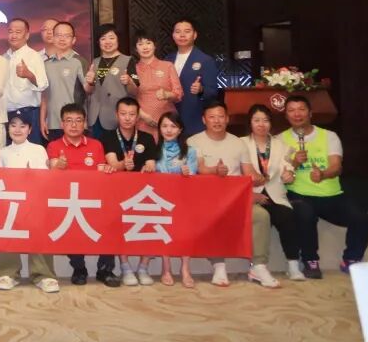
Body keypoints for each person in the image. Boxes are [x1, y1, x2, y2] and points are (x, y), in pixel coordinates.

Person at [280, 94, 368, 278]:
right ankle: (310, 260)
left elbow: (336, 166)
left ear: (310, 113)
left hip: (331, 194)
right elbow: (279, 174)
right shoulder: (279, 139)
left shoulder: (329, 136)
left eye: (301, 109)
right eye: (291, 110)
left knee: (362, 219)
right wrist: (295, 163)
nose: (297, 114)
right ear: (286, 115)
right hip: (299, 194)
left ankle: (351, 259)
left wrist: (323, 174)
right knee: (305, 214)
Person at [189, 101, 278, 289]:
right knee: (211, 215)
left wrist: (261, 177)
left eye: (221, 117)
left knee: (261, 216)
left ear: (227, 119)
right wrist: (215, 170)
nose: (217, 121)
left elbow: (249, 172)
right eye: (212, 117)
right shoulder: (194, 141)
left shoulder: (238, 143)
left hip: (235, 200)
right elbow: (200, 168)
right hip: (207, 200)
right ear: (204, 120)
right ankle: (218, 265)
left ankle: (258, 266)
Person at [46, 103, 117, 286]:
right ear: (62, 124)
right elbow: (53, 170)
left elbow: (101, 172)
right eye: (69, 121)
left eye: (78, 120)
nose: (74, 125)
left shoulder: (96, 145)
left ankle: (105, 270)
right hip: (67, 200)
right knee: (70, 221)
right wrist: (58, 166)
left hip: (93, 200)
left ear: (85, 123)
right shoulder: (54, 146)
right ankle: (79, 269)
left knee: (110, 220)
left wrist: (107, 170)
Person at [0, 114, 61, 293]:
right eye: (13, 125)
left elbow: (45, 177)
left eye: (22, 126)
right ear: (8, 129)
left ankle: (43, 275)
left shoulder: (39, 149)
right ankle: (8, 273)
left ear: (30, 130)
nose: (17, 130)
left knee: (40, 227)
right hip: (9, 202)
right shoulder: (2, 152)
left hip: (34, 201)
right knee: (5, 226)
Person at [243, 104, 305, 282]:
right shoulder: (240, 143)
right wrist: (250, 195)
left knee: (287, 216)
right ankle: (256, 266)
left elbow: (288, 169)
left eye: (265, 120)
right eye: (257, 120)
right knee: (259, 218)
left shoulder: (282, 146)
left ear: (271, 123)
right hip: (250, 195)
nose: (261, 124)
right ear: (250, 123)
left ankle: (293, 265)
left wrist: (289, 175)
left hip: (275, 195)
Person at [102, 97, 158, 287]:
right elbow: (112, 163)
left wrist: (149, 167)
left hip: (143, 194)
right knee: (118, 224)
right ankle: (125, 267)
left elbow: (151, 163)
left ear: (138, 117)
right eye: (123, 114)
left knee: (150, 224)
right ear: (116, 115)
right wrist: (122, 164)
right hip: (118, 193)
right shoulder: (109, 136)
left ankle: (143, 268)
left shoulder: (147, 138)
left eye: (132, 114)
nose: (127, 118)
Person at [155, 111, 197, 288]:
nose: (168, 130)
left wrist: (188, 173)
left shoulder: (190, 151)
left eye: (173, 126)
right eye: (164, 126)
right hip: (160, 200)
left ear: (180, 130)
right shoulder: (154, 149)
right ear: (159, 129)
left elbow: (193, 176)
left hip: (183, 199)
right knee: (164, 232)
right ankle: (166, 269)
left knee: (185, 232)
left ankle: (185, 268)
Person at [84, 23, 139, 139]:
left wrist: (129, 81)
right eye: (103, 38)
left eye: (111, 38)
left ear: (118, 40)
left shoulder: (128, 60)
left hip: (117, 116)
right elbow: (88, 91)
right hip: (95, 117)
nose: (107, 42)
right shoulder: (95, 62)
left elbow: (135, 91)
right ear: (98, 42)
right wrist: (90, 82)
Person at [165, 18, 220, 136]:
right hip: (170, 120)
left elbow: (213, 92)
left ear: (194, 35)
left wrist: (201, 89)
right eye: (178, 31)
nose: (182, 35)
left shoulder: (205, 60)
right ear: (173, 35)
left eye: (187, 31)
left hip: (193, 120)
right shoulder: (167, 59)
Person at [4, 17, 48, 146]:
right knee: (10, 153)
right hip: (7, 114)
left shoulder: (34, 56)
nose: (13, 35)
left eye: (18, 32)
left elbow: (43, 84)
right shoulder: (3, 57)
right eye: (10, 31)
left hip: (28, 113)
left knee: (31, 152)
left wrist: (29, 75)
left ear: (27, 35)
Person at [40, 21, 87, 142]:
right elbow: (44, 96)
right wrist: (42, 120)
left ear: (73, 40)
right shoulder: (46, 64)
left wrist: (91, 83)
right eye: (58, 35)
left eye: (66, 36)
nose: (62, 39)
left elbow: (89, 92)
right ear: (53, 38)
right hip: (52, 123)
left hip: (74, 123)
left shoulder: (79, 61)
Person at [133, 29, 182, 138]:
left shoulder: (167, 66)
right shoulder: (132, 70)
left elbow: (178, 94)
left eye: (148, 43)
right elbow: (130, 98)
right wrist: (142, 115)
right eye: (140, 44)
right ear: (136, 49)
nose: (145, 47)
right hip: (142, 121)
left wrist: (167, 95)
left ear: (155, 45)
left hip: (167, 121)